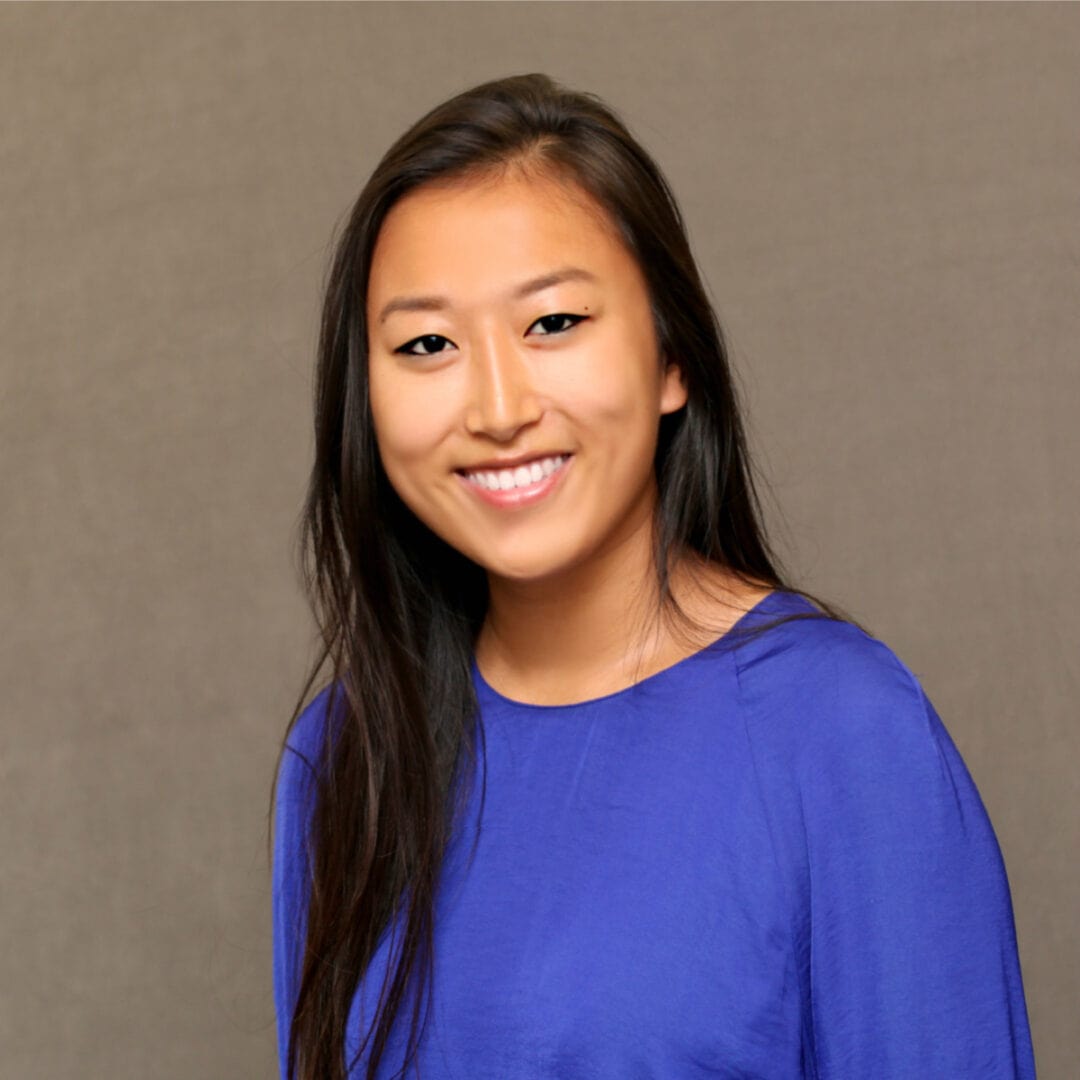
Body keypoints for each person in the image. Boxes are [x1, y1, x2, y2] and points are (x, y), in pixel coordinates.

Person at [270, 73, 1036, 1080]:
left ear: (671, 357)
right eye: (427, 344)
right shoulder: (346, 756)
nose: (498, 408)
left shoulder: (839, 732)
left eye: (554, 323)